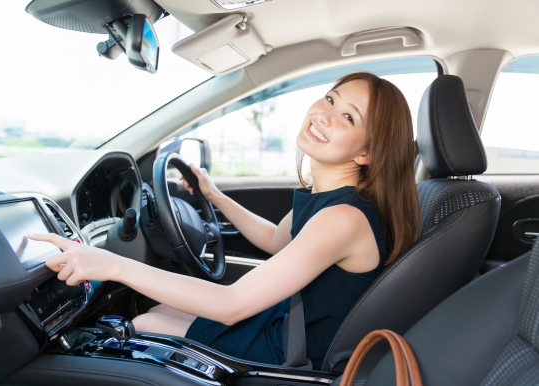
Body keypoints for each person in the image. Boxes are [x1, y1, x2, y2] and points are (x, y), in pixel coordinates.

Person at [29, 72, 421, 369]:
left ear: (367, 153)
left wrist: (112, 264)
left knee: (149, 322)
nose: (325, 115)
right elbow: (275, 239)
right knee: (160, 309)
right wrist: (212, 194)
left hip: (294, 350)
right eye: (330, 99)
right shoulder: (331, 198)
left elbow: (232, 304)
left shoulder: (343, 218)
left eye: (348, 117)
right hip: (284, 323)